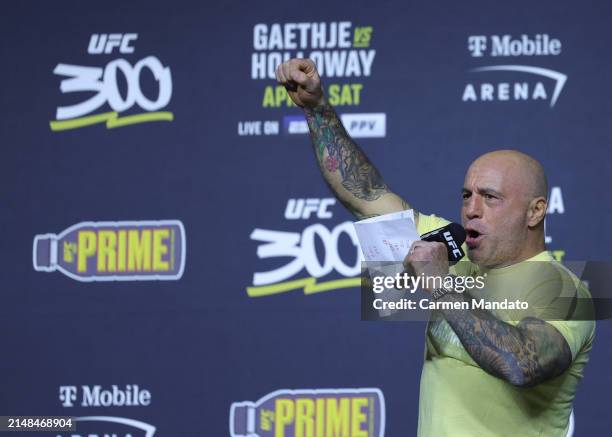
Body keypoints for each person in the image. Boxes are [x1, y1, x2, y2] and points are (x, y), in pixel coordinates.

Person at [276, 58, 596, 437]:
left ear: (535, 211)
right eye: (466, 195)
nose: (471, 209)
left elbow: (521, 364)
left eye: (490, 197)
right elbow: (365, 195)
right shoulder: (451, 249)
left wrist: (443, 285)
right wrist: (317, 110)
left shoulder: (566, 291)